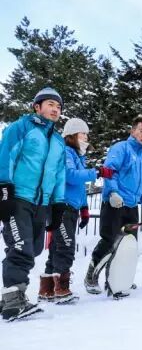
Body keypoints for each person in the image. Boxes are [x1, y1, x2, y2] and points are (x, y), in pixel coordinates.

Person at [0, 87, 67, 320]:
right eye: (50, 104)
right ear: (37, 107)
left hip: (41, 203)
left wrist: (58, 204)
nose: (55, 109)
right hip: (18, 197)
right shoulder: (21, 128)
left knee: (35, 249)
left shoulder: (58, 141)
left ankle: (8, 296)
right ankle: (13, 302)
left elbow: (59, 174)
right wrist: (4, 188)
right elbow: (5, 156)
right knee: (21, 248)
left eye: (58, 106)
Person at [39, 118, 114, 303]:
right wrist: (97, 172)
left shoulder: (77, 156)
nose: (86, 137)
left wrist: (84, 208)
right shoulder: (65, 152)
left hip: (70, 207)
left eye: (87, 134)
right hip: (61, 206)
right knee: (65, 247)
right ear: (71, 135)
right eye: (82, 134)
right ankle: (61, 289)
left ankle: (47, 290)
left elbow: (78, 188)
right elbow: (71, 176)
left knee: (57, 247)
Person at [84, 116, 142, 294]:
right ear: (133, 131)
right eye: (141, 131)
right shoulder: (121, 148)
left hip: (132, 206)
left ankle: (119, 280)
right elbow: (110, 171)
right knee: (109, 241)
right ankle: (91, 276)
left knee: (128, 245)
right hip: (115, 203)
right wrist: (113, 192)